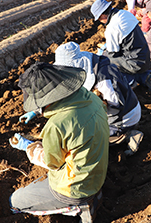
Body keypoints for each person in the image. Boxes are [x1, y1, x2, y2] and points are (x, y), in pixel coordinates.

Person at [9, 62, 109, 223]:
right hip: (97, 172)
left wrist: (29, 147)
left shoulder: (56, 125)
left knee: (15, 201)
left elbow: (53, 163)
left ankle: (77, 207)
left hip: (76, 188)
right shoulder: (91, 98)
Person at [54, 41, 144, 155]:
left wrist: (92, 111)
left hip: (123, 118)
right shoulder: (95, 64)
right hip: (130, 106)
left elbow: (116, 106)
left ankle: (127, 136)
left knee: (91, 140)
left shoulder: (103, 81)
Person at [90, 0, 151, 91]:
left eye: (99, 19)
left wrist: (102, 54)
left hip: (136, 64)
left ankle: (130, 81)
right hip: (145, 56)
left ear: (102, 15)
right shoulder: (124, 13)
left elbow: (112, 54)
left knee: (106, 61)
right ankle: (146, 77)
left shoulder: (111, 28)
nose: (100, 21)